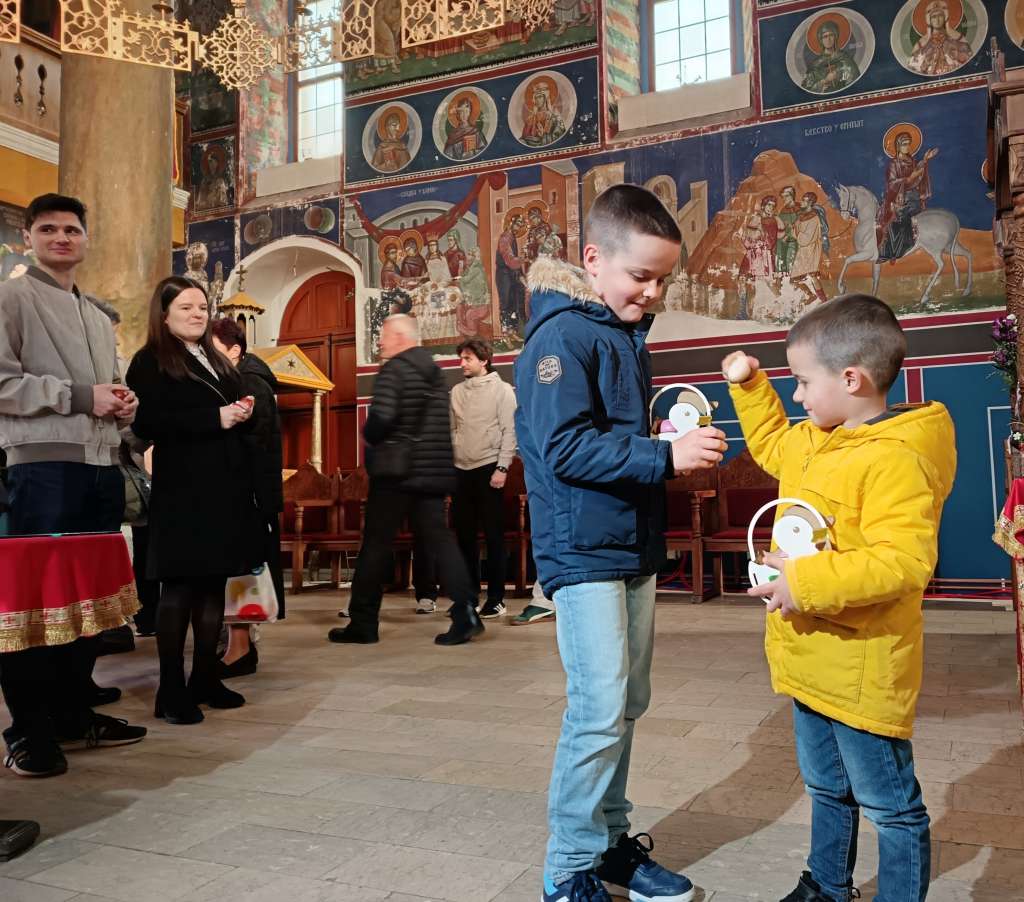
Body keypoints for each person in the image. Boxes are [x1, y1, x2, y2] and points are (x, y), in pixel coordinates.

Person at [515, 184, 727, 902]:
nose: (654, 290)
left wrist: (661, 447)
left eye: (664, 278)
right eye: (641, 276)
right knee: (598, 706)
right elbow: (566, 447)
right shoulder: (562, 338)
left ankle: (609, 844)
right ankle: (567, 867)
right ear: (594, 260)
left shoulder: (618, 333)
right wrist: (665, 457)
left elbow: (615, 439)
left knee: (626, 703)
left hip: (628, 542)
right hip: (582, 550)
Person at [721, 294, 956, 902]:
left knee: (890, 804)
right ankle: (827, 885)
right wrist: (751, 386)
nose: (796, 396)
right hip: (807, 656)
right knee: (825, 786)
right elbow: (773, 441)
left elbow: (904, 562)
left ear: (851, 378)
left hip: (863, 664)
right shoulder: (813, 437)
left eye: (802, 382)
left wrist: (806, 582)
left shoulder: (898, 457)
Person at [0, 193, 147, 779]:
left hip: (100, 466)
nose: (62, 238)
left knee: (88, 600)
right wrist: (79, 397)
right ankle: (26, 730)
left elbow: (107, 387)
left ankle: (70, 712)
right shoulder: (11, 297)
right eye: (49, 229)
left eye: (72, 230)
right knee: (37, 603)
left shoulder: (96, 314)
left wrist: (124, 405)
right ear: (29, 238)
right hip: (41, 468)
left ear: (85, 240)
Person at [126, 276, 265, 725]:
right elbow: (149, 421)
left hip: (224, 485)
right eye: (186, 307)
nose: (197, 314)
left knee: (212, 587)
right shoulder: (150, 361)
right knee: (180, 588)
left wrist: (243, 412)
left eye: (202, 307)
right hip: (184, 487)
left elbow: (229, 410)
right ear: (163, 315)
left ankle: (205, 677)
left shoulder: (214, 359)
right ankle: (170, 689)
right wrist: (215, 417)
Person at [328, 315, 482, 646]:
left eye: (383, 336)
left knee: (374, 546)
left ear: (400, 337)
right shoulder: (435, 372)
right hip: (432, 471)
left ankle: (363, 622)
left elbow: (381, 419)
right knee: (440, 540)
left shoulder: (395, 370)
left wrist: (368, 433)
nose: (380, 343)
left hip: (396, 473)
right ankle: (466, 610)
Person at [211, 317, 285, 679]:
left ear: (234, 350)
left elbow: (254, 442)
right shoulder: (246, 378)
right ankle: (240, 646)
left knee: (241, 572)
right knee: (238, 570)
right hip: (249, 491)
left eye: (214, 350)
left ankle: (239, 649)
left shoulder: (249, 382)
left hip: (248, 493)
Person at [450, 339, 517, 619]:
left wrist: (502, 468)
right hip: (460, 470)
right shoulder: (455, 391)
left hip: (489, 468)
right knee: (464, 538)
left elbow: (509, 431)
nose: (462, 363)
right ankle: (467, 597)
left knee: (493, 537)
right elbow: (452, 430)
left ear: (483, 360)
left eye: (467, 358)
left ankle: (496, 598)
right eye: (461, 358)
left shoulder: (503, 391)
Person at [877, 133, 938, 263]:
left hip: (913, 198)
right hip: (899, 198)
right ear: (898, 146)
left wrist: (926, 160)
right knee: (893, 221)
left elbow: (919, 175)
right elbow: (892, 183)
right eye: (904, 144)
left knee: (904, 217)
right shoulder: (894, 164)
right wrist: (908, 179)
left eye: (909, 144)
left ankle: (902, 249)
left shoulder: (913, 162)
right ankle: (891, 253)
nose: (907, 147)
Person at [801, 18, 860, 93]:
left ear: (835, 37)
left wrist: (839, 74)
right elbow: (807, 88)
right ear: (821, 40)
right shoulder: (815, 65)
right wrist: (825, 80)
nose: (828, 39)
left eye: (831, 35)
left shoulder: (844, 58)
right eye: (825, 36)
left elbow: (854, 78)